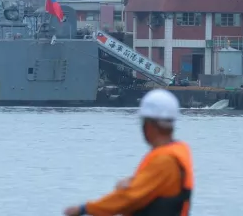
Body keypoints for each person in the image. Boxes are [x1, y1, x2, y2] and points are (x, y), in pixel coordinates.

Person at [63, 89, 193, 216]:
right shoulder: (177, 152)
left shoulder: (164, 160)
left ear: (148, 125)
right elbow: (149, 187)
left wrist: (83, 209)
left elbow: (127, 198)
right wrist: (133, 183)